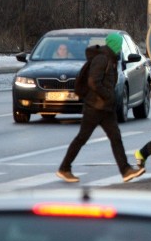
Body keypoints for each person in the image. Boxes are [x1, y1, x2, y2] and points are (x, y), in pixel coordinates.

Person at [56, 33, 145, 183]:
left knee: (115, 137)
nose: (120, 48)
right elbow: (93, 82)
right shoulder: (102, 58)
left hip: (105, 107)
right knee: (82, 138)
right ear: (115, 45)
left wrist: (108, 99)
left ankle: (125, 170)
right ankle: (64, 168)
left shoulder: (111, 58)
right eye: (119, 45)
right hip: (95, 106)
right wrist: (108, 96)